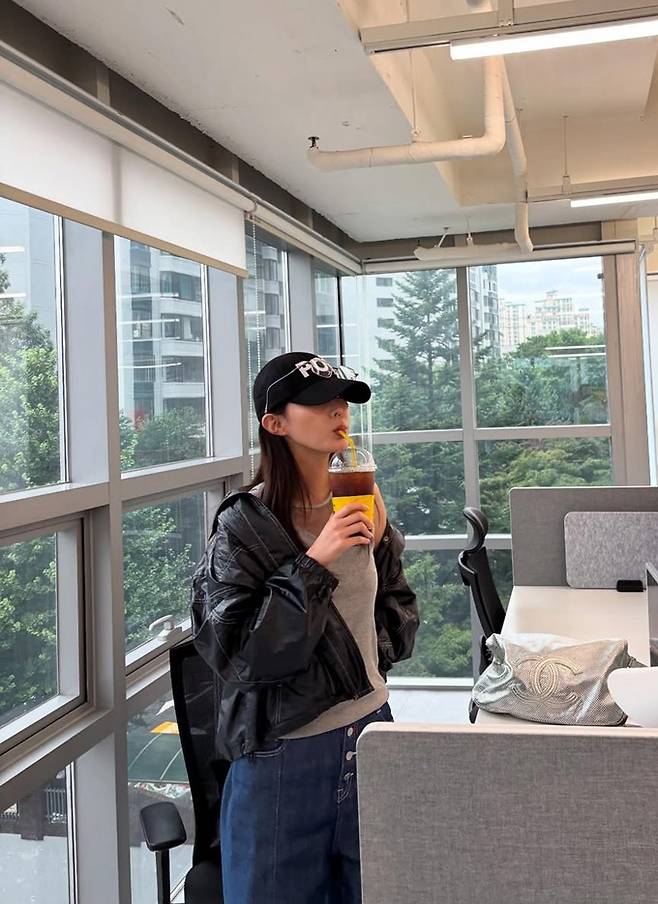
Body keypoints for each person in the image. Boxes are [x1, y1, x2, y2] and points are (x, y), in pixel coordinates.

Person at [191, 351, 419, 904]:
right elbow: (243, 657)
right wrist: (314, 563)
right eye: (319, 403)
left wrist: (360, 667)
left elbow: (395, 611)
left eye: (342, 400)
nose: (338, 410)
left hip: (372, 734)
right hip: (284, 758)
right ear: (275, 423)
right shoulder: (244, 525)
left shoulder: (362, 497)